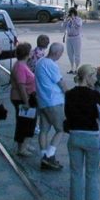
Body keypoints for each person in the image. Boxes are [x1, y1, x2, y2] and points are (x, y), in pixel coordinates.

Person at [64, 64, 100, 200]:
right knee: (92, 176)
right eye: (93, 76)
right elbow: (99, 116)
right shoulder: (95, 95)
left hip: (74, 136)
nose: (95, 79)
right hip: (92, 137)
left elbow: (67, 114)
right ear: (87, 77)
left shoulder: (70, 94)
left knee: (75, 175)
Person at [35, 41, 68, 170]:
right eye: (61, 52)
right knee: (61, 129)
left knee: (44, 130)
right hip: (53, 101)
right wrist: (69, 95)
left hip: (42, 101)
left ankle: (43, 153)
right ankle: (49, 155)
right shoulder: (51, 65)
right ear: (56, 53)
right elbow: (60, 82)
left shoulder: (40, 62)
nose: (61, 55)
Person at [10, 42, 37, 156]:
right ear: (27, 54)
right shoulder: (20, 66)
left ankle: (24, 144)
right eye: (30, 51)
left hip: (24, 97)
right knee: (26, 122)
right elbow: (21, 86)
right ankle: (22, 147)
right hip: (22, 98)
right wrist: (26, 102)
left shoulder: (22, 64)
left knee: (26, 122)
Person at [63, 7, 83, 74]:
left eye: (72, 14)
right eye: (70, 14)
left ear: (74, 14)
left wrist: (73, 20)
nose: (71, 15)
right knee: (70, 54)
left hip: (76, 38)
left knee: (77, 54)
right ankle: (71, 67)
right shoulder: (68, 20)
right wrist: (66, 20)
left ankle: (76, 68)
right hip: (69, 38)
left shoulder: (79, 19)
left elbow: (78, 26)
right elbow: (63, 26)